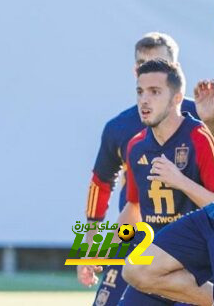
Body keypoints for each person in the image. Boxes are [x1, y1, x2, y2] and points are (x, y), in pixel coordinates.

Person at [78, 33, 198, 306]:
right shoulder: (120, 128)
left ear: (175, 70)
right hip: (135, 236)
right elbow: (101, 183)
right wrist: (92, 245)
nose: (151, 72)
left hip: (188, 244)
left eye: (159, 64)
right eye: (144, 65)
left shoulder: (201, 120)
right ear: (136, 71)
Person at [120, 7, 214, 305]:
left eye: (154, 90)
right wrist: (93, 248)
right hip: (166, 252)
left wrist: (179, 180)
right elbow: (130, 209)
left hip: (198, 260)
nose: (144, 99)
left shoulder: (198, 137)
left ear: (177, 96)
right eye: (140, 91)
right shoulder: (132, 140)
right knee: (132, 270)